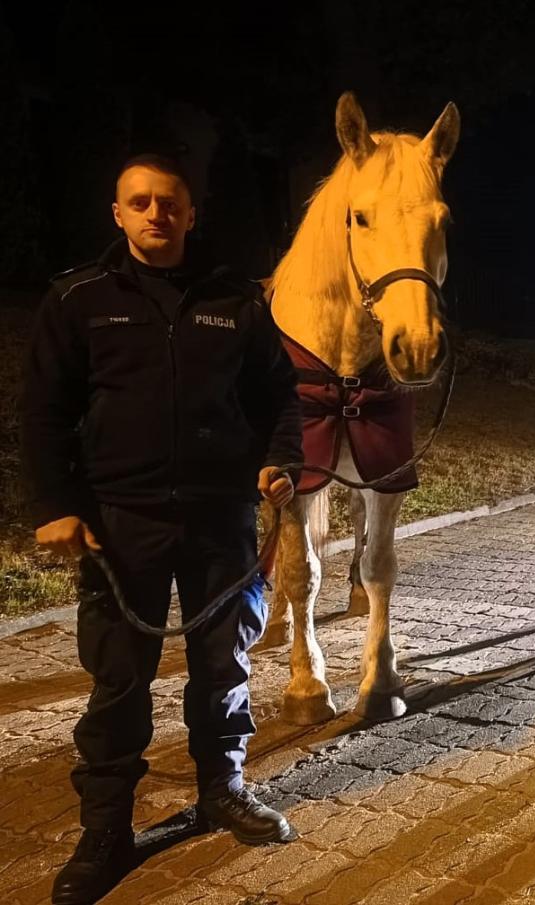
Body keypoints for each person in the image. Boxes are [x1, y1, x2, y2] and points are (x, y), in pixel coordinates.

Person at [21, 154, 303, 905]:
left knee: (224, 665)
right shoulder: (79, 298)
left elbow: (280, 396)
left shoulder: (235, 302)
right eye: (139, 202)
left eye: (169, 203)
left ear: (190, 213)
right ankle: (106, 828)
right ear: (118, 213)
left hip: (221, 521)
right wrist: (55, 503)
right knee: (119, 680)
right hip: (120, 523)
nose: (155, 214)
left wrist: (280, 461)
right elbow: (44, 412)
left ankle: (223, 787)